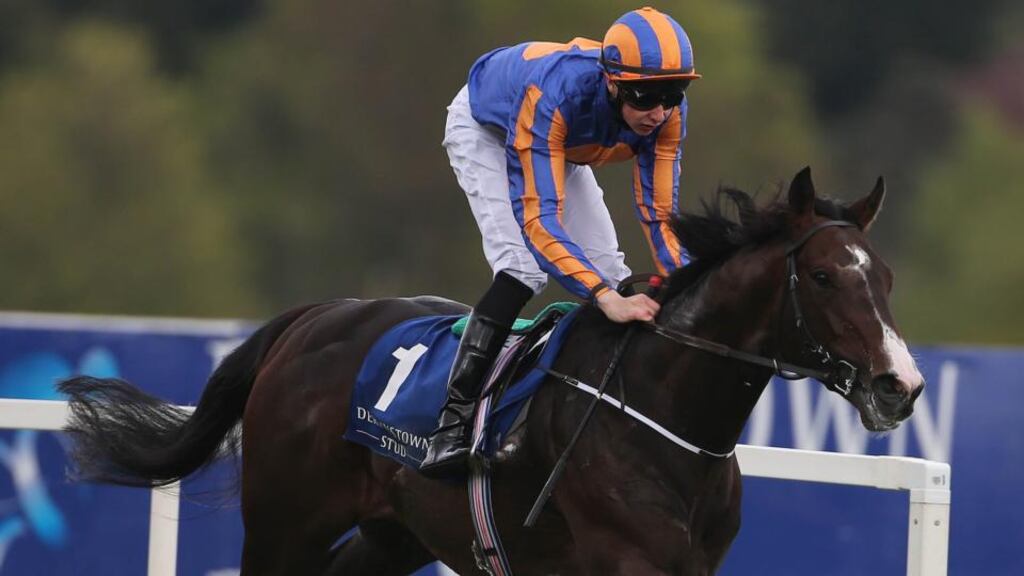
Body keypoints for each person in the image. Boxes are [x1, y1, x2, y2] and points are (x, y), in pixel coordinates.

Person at [421, 7, 701, 477]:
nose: (659, 110)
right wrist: (603, 297)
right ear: (612, 82)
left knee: (613, 272)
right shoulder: (555, 94)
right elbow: (540, 222)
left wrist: (691, 287)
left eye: (674, 93)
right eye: (646, 95)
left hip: (564, 142)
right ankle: (451, 423)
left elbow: (659, 217)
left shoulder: (666, 115)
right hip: (487, 127)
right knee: (522, 268)